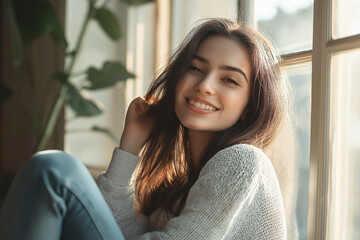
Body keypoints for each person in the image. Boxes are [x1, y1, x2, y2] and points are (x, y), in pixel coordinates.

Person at [0, 18, 288, 239]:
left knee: (55, 171)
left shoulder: (242, 162)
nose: (204, 85)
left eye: (229, 80)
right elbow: (120, 232)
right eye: (196, 69)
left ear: (250, 106)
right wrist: (130, 145)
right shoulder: (182, 184)